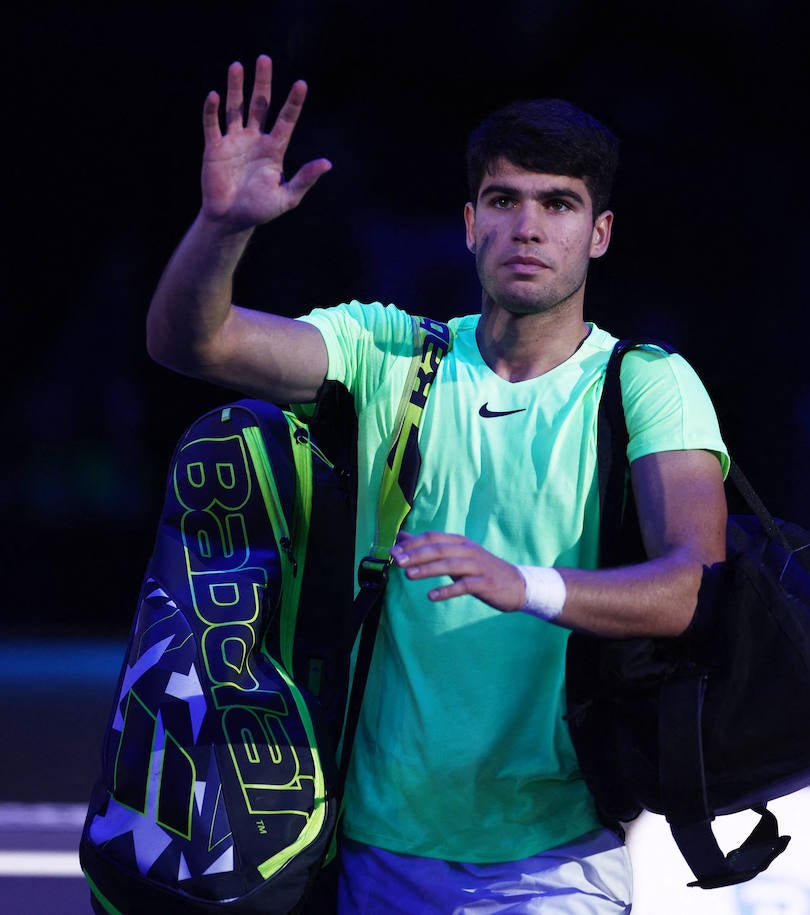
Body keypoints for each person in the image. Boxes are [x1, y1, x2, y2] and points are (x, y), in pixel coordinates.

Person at [145, 53, 729, 912]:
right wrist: (223, 226)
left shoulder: (643, 382)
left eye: (559, 204)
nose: (528, 226)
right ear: (469, 223)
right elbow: (189, 342)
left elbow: (692, 585)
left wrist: (522, 584)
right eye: (505, 200)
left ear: (598, 233)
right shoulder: (392, 352)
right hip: (377, 852)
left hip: (556, 855)